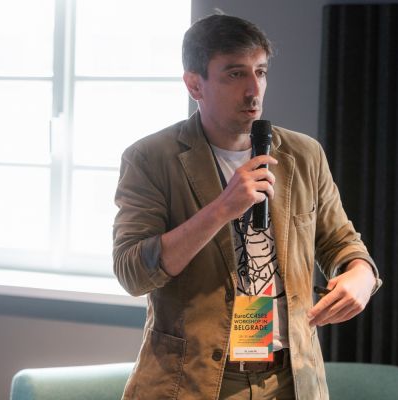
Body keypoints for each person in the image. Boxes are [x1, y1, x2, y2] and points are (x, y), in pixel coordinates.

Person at [113, 14, 382, 400]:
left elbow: (341, 242)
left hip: (290, 380)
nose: (253, 90)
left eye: (261, 71)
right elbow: (133, 273)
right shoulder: (151, 159)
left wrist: (362, 275)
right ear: (195, 84)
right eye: (235, 74)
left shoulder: (303, 155)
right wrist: (221, 209)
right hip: (194, 381)